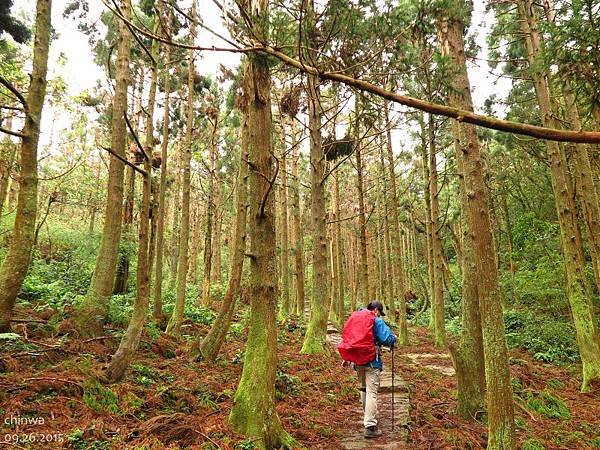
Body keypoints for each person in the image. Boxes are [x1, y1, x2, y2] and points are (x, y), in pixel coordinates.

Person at [344, 300, 397, 438]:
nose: (379, 315)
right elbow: (386, 338)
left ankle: (368, 416)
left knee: (363, 389)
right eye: (379, 312)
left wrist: (348, 358)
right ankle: (370, 426)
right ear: (376, 310)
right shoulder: (376, 320)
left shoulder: (355, 318)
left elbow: (349, 338)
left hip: (357, 360)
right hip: (373, 361)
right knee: (372, 392)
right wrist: (393, 339)